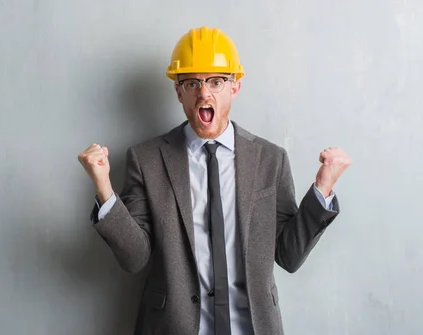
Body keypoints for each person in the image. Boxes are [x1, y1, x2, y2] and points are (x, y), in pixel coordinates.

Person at [77, 26, 351, 335]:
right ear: (178, 91)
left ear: (235, 87)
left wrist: (323, 188)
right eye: (192, 83)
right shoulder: (147, 160)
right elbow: (135, 257)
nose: (204, 93)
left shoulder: (270, 159)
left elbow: (288, 255)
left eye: (216, 82)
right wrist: (103, 187)